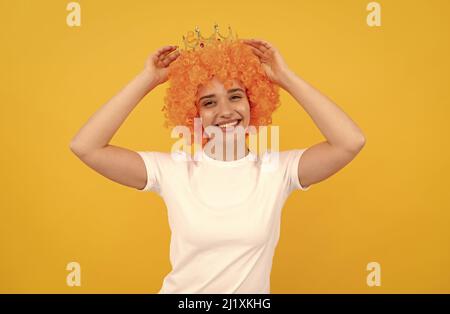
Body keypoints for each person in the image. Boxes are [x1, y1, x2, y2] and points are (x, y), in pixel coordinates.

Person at [69, 36, 366, 294]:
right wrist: (147, 80)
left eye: (235, 97)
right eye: (209, 102)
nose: (225, 112)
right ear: (193, 112)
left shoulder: (277, 171)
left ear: (253, 103)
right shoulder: (173, 170)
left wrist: (285, 77)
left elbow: (349, 141)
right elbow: (86, 146)